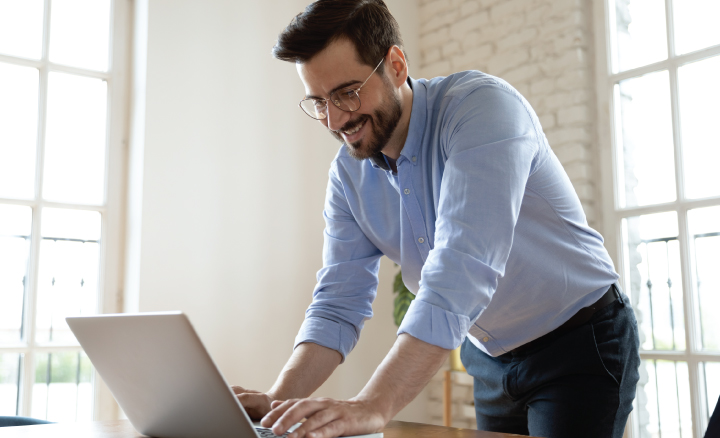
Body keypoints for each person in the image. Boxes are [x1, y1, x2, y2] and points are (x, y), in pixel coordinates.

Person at [233, 1, 641, 437]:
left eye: (347, 92)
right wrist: (277, 403)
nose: (335, 119)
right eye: (319, 102)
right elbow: (338, 301)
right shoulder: (349, 174)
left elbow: (461, 270)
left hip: (579, 341)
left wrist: (373, 404)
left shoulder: (481, 110)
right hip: (489, 359)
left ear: (395, 64)